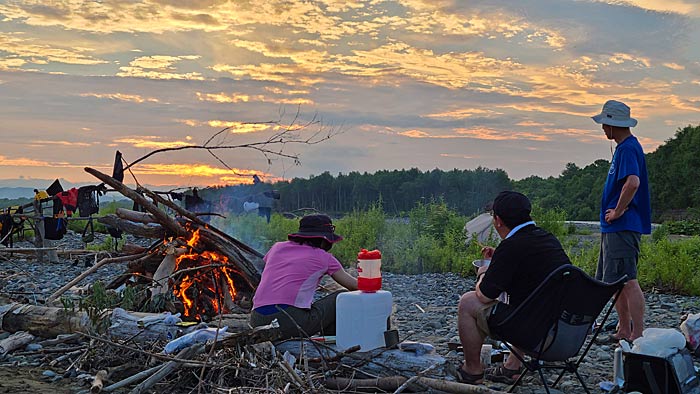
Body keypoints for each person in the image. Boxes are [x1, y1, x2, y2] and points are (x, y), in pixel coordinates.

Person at [456, 191, 571, 385]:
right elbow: (526, 269)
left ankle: (472, 370)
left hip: (536, 336)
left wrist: (484, 272)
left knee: (468, 302)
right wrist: (500, 257)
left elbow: (484, 295)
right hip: (566, 332)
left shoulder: (511, 247)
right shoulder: (548, 239)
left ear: (498, 220)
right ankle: (511, 367)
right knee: (527, 301)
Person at [592, 100, 651, 342]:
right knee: (616, 281)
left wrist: (617, 211)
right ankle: (623, 330)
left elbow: (633, 182)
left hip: (622, 225)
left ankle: (637, 335)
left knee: (627, 280)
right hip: (614, 227)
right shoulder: (623, 147)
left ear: (613, 124)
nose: (603, 128)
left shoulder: (627, 148)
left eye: (605, 123)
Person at [250, 214, 358, 339]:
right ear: (325, 240)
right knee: (340, 297)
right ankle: (331, 340)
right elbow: (354, 286)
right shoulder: (324, 257)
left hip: (257, 320)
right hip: (288, 321)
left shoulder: (277, 247)